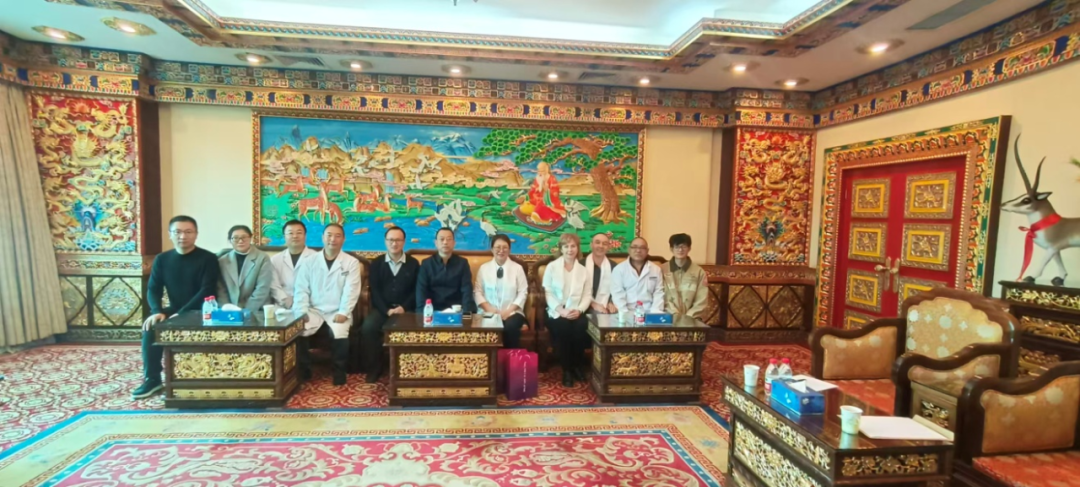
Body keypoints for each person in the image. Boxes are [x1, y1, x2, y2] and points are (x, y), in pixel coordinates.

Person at [133, 215, 220, 399]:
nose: (183, 236)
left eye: (188, 232)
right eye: (178, 232)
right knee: (151, 327)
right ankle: (153, 379)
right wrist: (157, 311)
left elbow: (207, 290)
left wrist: (182, 314)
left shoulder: (208, 258)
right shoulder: (162, 259)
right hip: (174, 310)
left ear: (196, 234)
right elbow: (153, 288)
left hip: (202, 311)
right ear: (170, 234)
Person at [292, 224, 362, 386]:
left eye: (338, 236)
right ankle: (305, 371)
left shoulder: (351, 262)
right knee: (299, 329)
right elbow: (301, 289)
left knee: (339, 332)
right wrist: (302, 311)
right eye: (329, 235)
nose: (333, 239)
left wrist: (344, 311)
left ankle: (339, 373)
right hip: (313, 310)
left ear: (344, 239)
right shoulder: (309, 261)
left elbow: (351, 290)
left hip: (338, 310)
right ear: (323, 238)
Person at [361, 226, 420, 383]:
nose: (394, 243)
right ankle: (375, 369)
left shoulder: (413, 263)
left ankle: (408, 369)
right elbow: (375, 291)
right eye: (391, 240)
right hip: (383, 309)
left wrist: (404, 308)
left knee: (413, 330)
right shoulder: (377, 263)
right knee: (368, 328)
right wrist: (387, 310)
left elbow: (416, 290)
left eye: (398, 240)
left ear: (404, 242)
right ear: (385, 241)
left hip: (406, 310)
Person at [542, 233, 591, 387]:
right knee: (563, 327)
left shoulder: (583, 270)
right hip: (556, 311)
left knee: (581, 326)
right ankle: (567, 370)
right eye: (566, 246)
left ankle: (577, 366)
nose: (570, 249)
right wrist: (560, 310)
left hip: (576, 311)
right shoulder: (552, 267)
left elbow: (587, 295)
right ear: (561, 249)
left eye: (573, 246)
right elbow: (548, 292)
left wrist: (580, 310)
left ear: (578, 248)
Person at [475, 234, 529, 348]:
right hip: (488, 312)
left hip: (512, 312)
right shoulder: (484, 268)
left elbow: (523, 292)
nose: (501, 250)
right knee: (489, 327)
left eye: (505, 247)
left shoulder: (517, 268)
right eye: (498, 247)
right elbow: (478, 292)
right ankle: (491, 358)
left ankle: (509, 357)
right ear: (492, 249)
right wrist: (489, 309)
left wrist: (508, 311)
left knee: (510, 326)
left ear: (509, 250)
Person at [216, 225, 273, 314]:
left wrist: (247, 311)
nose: (240, 241)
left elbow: (262, 288)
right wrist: (228, 308)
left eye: (244, 237)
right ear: (230, 240)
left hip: (257, 309)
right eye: (235, 238)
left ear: (250, 238)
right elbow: (220, 289)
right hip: (230, 311)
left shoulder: (262, 258)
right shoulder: (222, 260)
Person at [416, 228, 474, 312]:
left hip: (456, 310)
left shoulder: (462, 263)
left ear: (454, 243)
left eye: (449, 239)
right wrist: (422, 314)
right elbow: (421, 291)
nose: (445, 242)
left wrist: (466, 313)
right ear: (436, 243)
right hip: (432, 310)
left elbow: (466, 290)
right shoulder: (426, 264)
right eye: (442, 239)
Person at [611, 237, 665, 314]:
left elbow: (658, 293)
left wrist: (655, 313)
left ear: (647, 251)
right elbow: (617, 295)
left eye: (642, 248)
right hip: (626, 312)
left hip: (649, 311)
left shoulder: (656, 269)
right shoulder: (619, 269)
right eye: (634, 247)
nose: (638, 250)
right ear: (629, 250)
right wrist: (625, 315)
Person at [270, 220, 316, 309]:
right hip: (283, 306)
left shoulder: (316, 258)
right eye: (290, 233)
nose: (295, 236)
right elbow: (273, 286)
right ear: (284, 236)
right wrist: (285, 300)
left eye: (299, 233)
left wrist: (301, 301)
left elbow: (319, 286)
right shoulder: (275, 259)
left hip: (309, 305)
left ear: (305, 236)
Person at [663, 233, 709, 320]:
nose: (680, 250)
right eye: (677, 247)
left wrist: (688, 317)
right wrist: (675, 314)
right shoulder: (662, 270)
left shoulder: (699, 272)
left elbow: (701, 300)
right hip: (668, 318)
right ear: (671, 249)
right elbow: (661, 296)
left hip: (692, 319)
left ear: (689, 248)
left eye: (684, 246)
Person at [585, 232, 618, 314]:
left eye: (605, 244)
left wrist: (612, 302)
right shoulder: (581, 264)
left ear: (609, 247)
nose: (601, 246)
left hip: (606, 307)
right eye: (597, 242)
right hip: (583, 307)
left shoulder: (614, 267)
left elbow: (617, 289)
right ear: (591, 245)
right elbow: (576, 290)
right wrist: (592, 304)